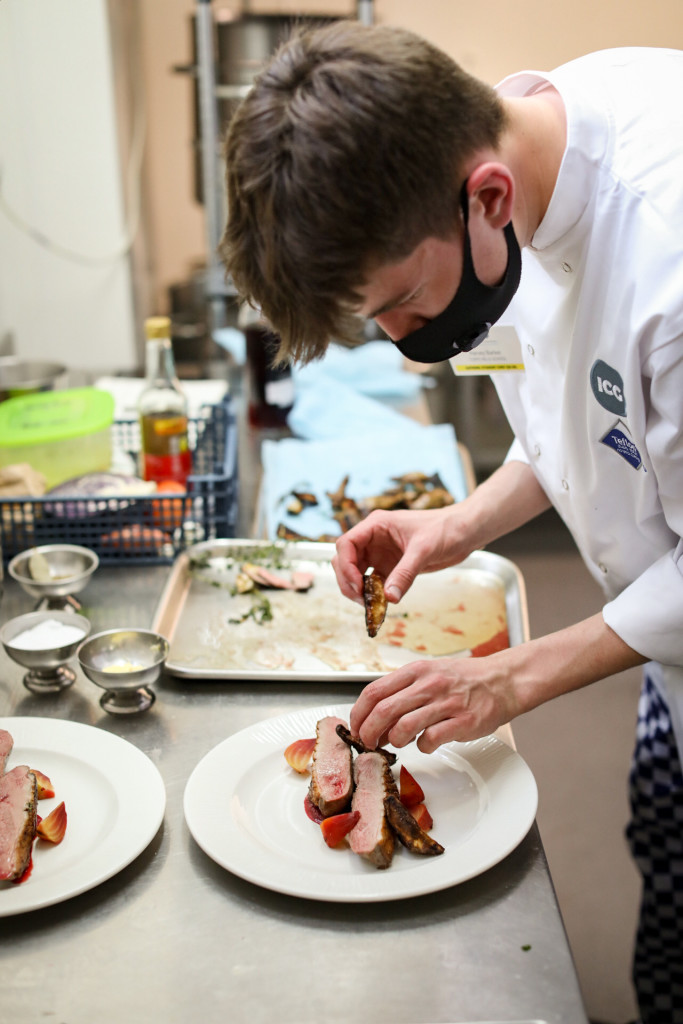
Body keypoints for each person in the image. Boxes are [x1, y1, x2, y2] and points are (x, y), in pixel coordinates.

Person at [219, 21, 683, 1022]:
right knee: (666, 874)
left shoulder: (666, 252)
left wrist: (511, 675)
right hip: (666, 657)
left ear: (485, 199)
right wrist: (457, 524)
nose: (398, 344)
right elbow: (592, 426)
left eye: (397, 305)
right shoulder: (514, 165)